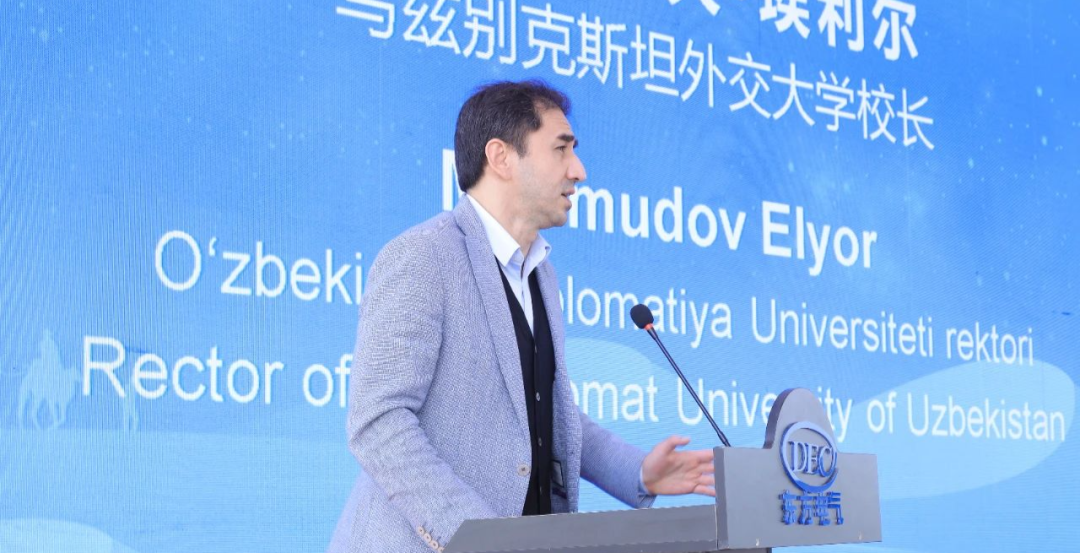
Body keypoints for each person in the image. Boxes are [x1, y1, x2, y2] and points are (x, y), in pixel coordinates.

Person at [328, 80, 715, 553]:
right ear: (501, 157)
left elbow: (545, 412)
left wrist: (637, 472)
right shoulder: (423, 256)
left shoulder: (541, 273)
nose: (579, 170)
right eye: (561, 149)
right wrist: (476, 538)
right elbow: (379, 422)